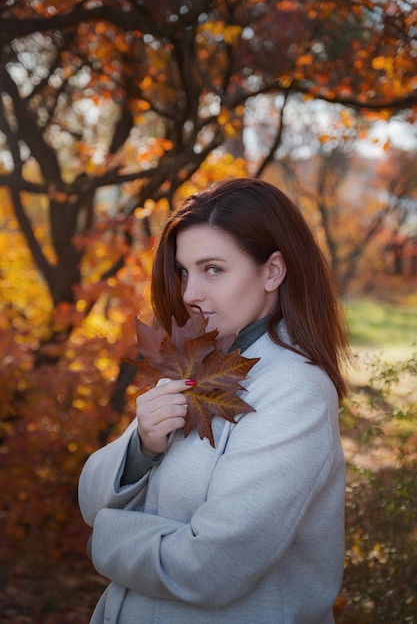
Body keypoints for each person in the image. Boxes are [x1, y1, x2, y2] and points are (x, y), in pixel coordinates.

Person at [79, 177, 351, 624]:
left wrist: (102, 540)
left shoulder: (293, 389)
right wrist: (141, 448)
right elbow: (91, 498)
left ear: (272, 271)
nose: (189, 294)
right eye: (185, 271)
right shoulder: (199, 362)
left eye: (214, 270)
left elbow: (211, 567)